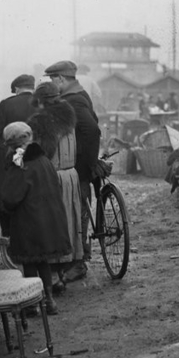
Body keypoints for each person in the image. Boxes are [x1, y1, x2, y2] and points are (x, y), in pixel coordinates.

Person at [0, 121, 70, 315]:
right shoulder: (43, 159)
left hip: (28, 220)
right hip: (48, 218)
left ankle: (33, 303)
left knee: (29, 262)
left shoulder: (21, 163)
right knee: (43, 261)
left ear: (12, 144)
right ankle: (50, 301)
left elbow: (11, 197)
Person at [44, 60, 101, 282]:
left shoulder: (74, 101)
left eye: (52, 80)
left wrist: (85, 166)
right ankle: (78, 258)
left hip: (78, 168)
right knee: (77, 212)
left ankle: (78, 264)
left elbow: (92, 130)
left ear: (60, 79)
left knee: (77, 214)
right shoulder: (80, 95)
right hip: (77, 166)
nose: (52, 84)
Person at [28, 82, 84, 296]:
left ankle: (53, 275)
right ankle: (62, 272)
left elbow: (44, 151)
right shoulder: (68, 114)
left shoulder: (41, 121)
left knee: (51, 225)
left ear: (40, 100)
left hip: (53, 177)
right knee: (68, 224)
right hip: (71, 175)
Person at [0, 74, 38, 233]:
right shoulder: (42, 103)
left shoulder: (6, 105)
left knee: (8, 204)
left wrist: (2, 152)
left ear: (16, 89)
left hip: (9, 163)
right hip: (37, 158)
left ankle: (9, 245)